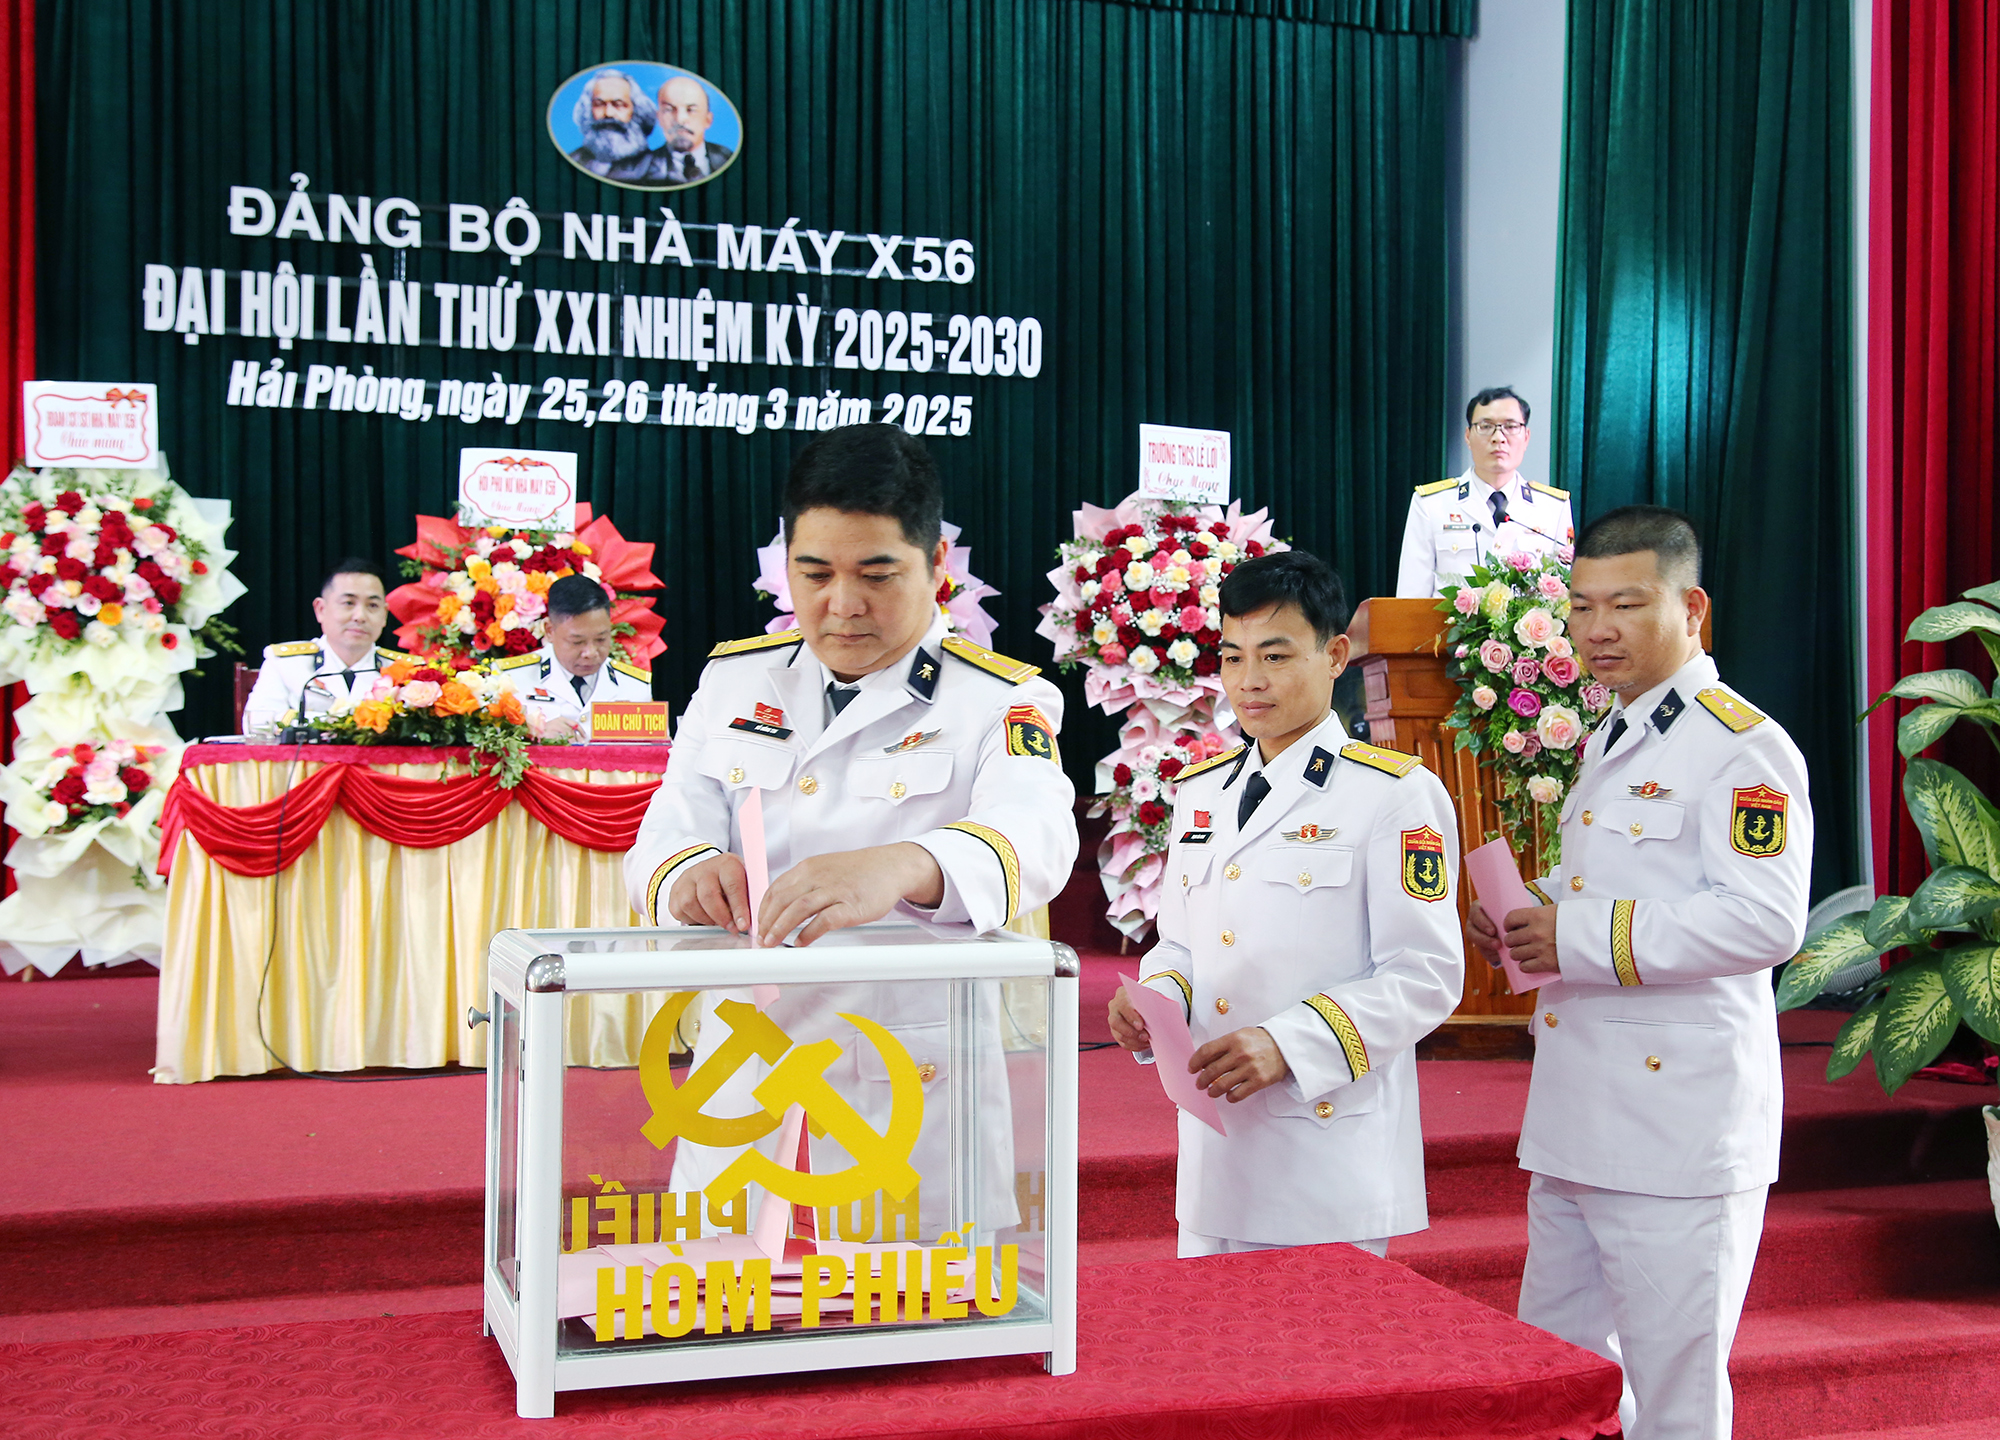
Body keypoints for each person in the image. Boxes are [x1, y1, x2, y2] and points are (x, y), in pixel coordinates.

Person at [623, 423, 1078, 1236]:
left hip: (903, 1081)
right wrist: (687, 872)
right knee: (721, 1294)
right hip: (744, 1070)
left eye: (877, 574)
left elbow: (1037, 837)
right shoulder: (735, 680)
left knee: (911, 1301)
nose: (842, 604)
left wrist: (904, 865)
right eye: (815, 574)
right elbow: (665, 831)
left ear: (937, 563)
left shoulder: (996, 698)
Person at [1465, 506, 1812, 1440]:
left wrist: (1575, 937)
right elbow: (1621, 884)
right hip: (1579, 1113)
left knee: (1674, 1398)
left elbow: (1763, 919)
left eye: (1626, 604)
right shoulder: (1614, 733)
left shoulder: (1743, 746)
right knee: (1557, 1376)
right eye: (1581, 607)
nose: (1597, 629)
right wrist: (1528, 910)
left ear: (1690, 608)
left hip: (1676, 1129)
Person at [1106, 549, 1464, 1260]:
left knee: (1319, 1330)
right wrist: (1157, 1001)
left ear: (1335, 656)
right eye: (1232, 657)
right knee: (1207, 1330)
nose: (1250, 681)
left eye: (1275, 656)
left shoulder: (1392, 794)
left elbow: (1424, 974)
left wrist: (1291, 1044)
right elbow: (1181, 943)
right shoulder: (1202, 792)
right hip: (1216, 1145)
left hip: (1325, 1146)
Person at [1396, 387, 1574, 597]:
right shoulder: (1431, 505)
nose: (1498, 437)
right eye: (1486, 426)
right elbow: (1411, 595)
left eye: (1510, 426)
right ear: (1468, 436)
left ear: (1526, 437)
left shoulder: (1554, 507)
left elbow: (1565, 595)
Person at [241, 559, 408, 733]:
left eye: (372, 605)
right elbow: (257, 723)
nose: (360, 616)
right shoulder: (286, 663)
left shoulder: (403, 669)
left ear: (384, 615)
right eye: (348, 603)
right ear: (320, 609)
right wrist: (336, 722)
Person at [494, 575, 651, 738]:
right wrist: (533, 735)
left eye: (601, 639)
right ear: (549, 631)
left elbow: (654, 750)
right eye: (577, 642)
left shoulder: (635, 687)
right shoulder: (509, 681)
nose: (590, 652)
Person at [566, 69, 665, 185]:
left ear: (637, 111)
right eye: (599, 104)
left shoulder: (659, 167)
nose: (608, 113)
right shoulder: (572, 160)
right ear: (588, 111)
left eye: (618, 104)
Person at [655, 74, 733, 186]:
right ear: (659, 118)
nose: (680, 120)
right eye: (669, 109)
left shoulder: (728, 158)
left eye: (691, 110)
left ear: (708, 120)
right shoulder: (640, 169)